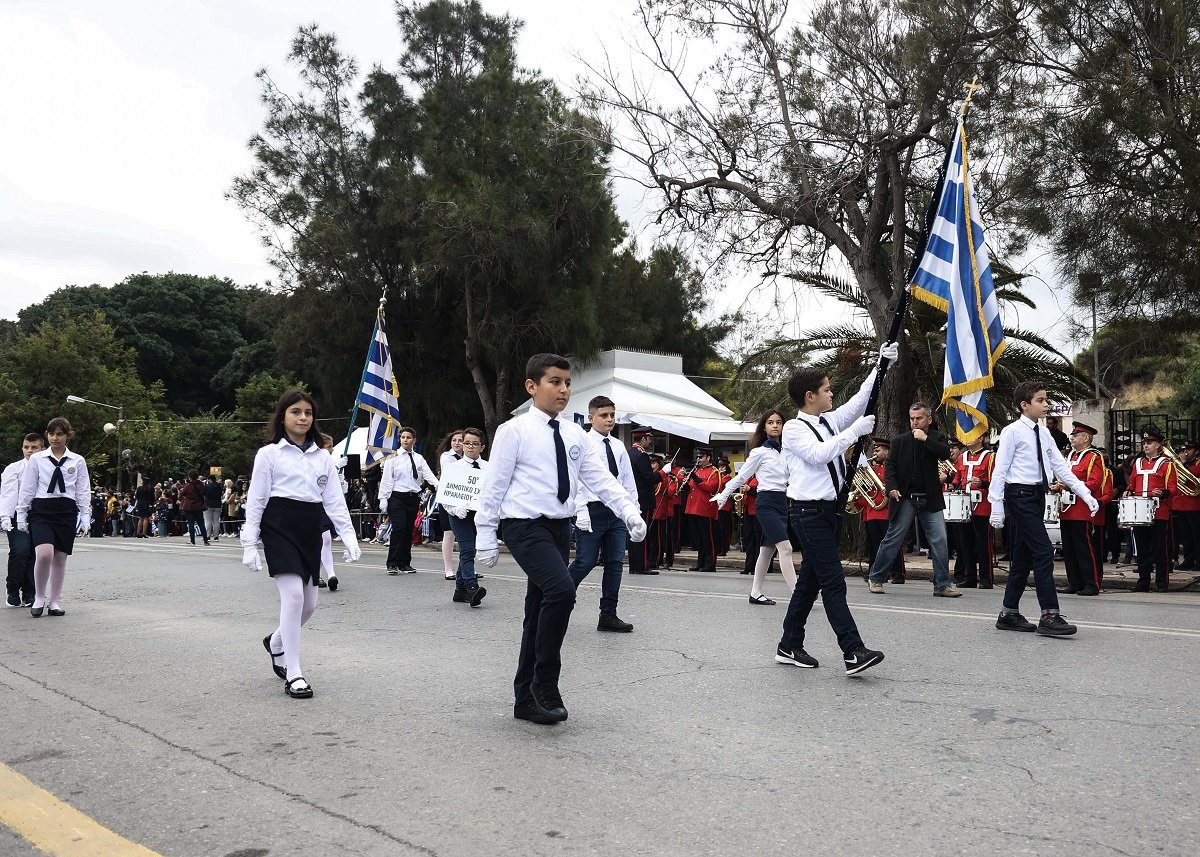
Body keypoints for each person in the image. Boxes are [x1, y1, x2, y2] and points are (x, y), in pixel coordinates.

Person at [474, 353, 646, 726]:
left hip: (558, 527)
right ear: (532, 386)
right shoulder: (513, 431)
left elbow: (599, 479)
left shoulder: (573, 434)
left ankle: (525, 698)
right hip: (523, 526)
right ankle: (546, 683)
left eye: (568, 383)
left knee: (538, 610)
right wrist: (485, 534)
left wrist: (629, 511)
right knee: (562, 591)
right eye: (555, 382)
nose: (564, 390)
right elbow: (494, 485)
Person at [776, 342, 896, 676]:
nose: (832, 394)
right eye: (827, 390)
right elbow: (819, 454)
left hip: (827, 512)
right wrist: (854, 433)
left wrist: (880, 366)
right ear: (809, 396)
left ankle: (789, 644)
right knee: (833, 583)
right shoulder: (794, 429)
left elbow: (859, 402)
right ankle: (852, 650)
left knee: (809, 585)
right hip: (807, 513)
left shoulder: (828, 420)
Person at [240, 388, 361, 699]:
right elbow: (256, 499)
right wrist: (249, 542)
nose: (303, 417)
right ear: (283, 416)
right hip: (279, 524)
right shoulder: (268, 454)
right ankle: (293, 673)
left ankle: (276, 642)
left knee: (310, 604)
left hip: (310, 526)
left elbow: (334, 500)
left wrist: (348, 536)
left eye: (308, 413)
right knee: (293, 597)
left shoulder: (323, 457)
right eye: (296, 412)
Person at [988, 381, 1099, 636]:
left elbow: (1060, 467)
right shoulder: (1012, 431)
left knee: (1024, 556)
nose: (1046, 404)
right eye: (1040, 400)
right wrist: (996, 504)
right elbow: (1000, 469)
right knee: (1043, 551)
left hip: (1038, 496)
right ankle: (1050, 614)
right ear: (1024, 405)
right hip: (1020, 495)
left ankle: (1009, 613)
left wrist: (1085, 493)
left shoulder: (1043, 432)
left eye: (1045, 400)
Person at [865, 403, 960, 597]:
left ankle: (942, 585)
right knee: (893, 538)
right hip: (906, 497)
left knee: (940, 540)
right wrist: (892, 488)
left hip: (930, 498)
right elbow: (890, 467)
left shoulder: (936, 438)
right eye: (912, 418)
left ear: (929, 419)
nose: (915, 422)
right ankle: (876, 578)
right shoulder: (900, 441)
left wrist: (925, 439)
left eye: (919, 418)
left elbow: (944, 454)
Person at [567, 396, 640, 632]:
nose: (610, 420)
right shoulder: (582, 443)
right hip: (591, 509)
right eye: (604, 415)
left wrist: (633, 512)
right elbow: (575, 480)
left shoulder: (618, 446)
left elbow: (627, 482)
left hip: (616, 511)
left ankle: (608, 614)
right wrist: (580, 510)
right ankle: (557, 600)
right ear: (591, 418)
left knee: (615, 563)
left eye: (612, 415)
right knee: (585, 561)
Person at [712, 409, 798, 605]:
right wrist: (724, 496)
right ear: (764, 427)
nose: (775, 425)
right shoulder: (759, 452)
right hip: (766, 502)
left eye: (778, 422)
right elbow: (742, 477)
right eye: (770, 422)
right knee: (786, 548)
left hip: (783, 503)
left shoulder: (788, 451)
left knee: (767, 550)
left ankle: (755, 592)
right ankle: (799, 593)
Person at [14, 417, 91, 618]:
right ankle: (39, 596)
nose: (54, 438)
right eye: (51, 433)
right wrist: (21, 513)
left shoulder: (77, 460)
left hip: (66, 510)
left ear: (68, 436)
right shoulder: (37, 459)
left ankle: (55, 600)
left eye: (59, 434)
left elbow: (82, 489)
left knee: (59, 558)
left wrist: (85, 515)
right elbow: (28, 487)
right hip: (42, 509)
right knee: (44, 553)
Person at [1052, 422, 1105, 596]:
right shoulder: (1071, 456)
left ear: (1085, 438)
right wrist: (1059, 486)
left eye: (1076, 435)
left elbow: (1095, 483)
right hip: (1066, 508)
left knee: (1083, 548)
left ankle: (1091, 583)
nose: (1072, 437)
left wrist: (1070, 486)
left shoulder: (1094, 457)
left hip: (1081, 509)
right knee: (1069, 548)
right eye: (1072, 434)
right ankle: (1074, 582)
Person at [1125, 427, 1178, 592]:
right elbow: (1132, 483)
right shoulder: (1138, 463)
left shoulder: (1167, 463)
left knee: (1161, 549)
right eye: (1144, 443)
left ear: (1158, 445)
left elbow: (1173, 487)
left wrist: (1163, 492)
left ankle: (1162, 583)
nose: (1146, 445)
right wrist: (1128, 490)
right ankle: (1143, 582)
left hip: (1159, 511)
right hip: (1139, 511)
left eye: (1150, 442)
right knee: (1141, 549)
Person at [380, 427, 438, 574]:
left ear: (414, 440)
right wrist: (383, 499)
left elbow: (428, 475)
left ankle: (404, 563)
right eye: (403, 437)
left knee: (408, 530)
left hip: (413, 498)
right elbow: (386, 479)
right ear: (400, 439)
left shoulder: (418, 458)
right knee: (399, 528)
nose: (405, 440)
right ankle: (392, 563)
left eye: (408, 437)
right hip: (397, 497)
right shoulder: (392, 457)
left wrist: (439, 486)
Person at [444, 427, 488, 607]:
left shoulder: (488, 467)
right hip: (459, 514)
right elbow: (445, 496)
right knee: (467, 549)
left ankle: (459, 591)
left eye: (475, 444)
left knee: (471, 549)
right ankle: (471, 587)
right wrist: (455, 509)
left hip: (478, 513)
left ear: (482, 447)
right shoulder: (454, 468)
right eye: (467, 443)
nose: (470, 447)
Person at [1, 432, 45, 608]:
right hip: (16, 515)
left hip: (39, 515)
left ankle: (30, 592)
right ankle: (12, 589)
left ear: (42, 449)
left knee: (36, 555)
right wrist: (5, 516)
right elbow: (8, 494)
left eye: (34, 447)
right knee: (20, 551)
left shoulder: (47, 468)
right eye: (26, 447)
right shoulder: (14, 468)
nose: (30, 451)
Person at [855, 438, 906, 584]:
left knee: (892, 543)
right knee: (874, 545)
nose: (875, 453)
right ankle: (875, 572)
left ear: (887, 452)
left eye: (878, 450)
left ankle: (898, 573)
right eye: (874, 450)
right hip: (872, 511)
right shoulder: (872, 469)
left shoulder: (895, 468)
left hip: (887, 511)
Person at [955, 435, 996, 588]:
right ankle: (969, 576)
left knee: (983, 544)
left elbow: (998, 481)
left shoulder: (990, 457)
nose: (968, 438)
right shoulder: (962, 457)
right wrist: (954, 484)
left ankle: (986, 578)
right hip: (964, 506)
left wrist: (983, 483)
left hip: (982, 507)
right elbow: (958, 478)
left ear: (981, 438)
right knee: (965, 543)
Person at [626, 430, 660, 575]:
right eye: (649, 439)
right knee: (642, 532)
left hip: (631, 499)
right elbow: (649, 479)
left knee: (632, 532)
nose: (650, 442)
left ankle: (633, 565)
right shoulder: (641, 456)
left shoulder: (628, 453)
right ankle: (642, 565)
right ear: (643, 439)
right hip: (643, 500)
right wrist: (662, 473)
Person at [682, 449, 721, 572]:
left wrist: (696, 479)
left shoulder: (714, 472)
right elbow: (693, 488)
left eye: (701, 457)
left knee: (707, 538)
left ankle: (710, 564)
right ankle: (700, 562)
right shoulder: (697, 470)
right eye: (698, 457)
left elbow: (712, 488)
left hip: (705, 508)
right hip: (693, 508)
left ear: (708, 458)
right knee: (698, 538)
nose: (698, 459)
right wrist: (686, 483)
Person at [435, 430, 465, 580]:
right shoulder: (446, 457)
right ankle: (448, 569)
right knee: (449, 533)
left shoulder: (469, 458)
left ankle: (466, 568)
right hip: (448, 498)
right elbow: (453, 474)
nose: (457, 443)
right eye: (454, 440)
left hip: (465, 499)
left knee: (467, 535)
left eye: (461, 440)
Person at [1173, 440, 1200, 570]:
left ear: (1196, 451)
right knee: (1186, 535)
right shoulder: (1182, 464)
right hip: (1181, 504)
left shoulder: (1197, 463)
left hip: (1194, 505)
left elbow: (1193, 474)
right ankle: (1189, 560)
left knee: (1196, 535)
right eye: (1185, 449)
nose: (1186, 452)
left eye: (1189, 449)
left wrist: (1182, 464)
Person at [178, 470, 210, 546]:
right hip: (198, 505)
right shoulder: (201, 485)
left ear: (190, 477)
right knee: (201, 523)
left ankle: (192, 540)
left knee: (191, 523)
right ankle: (206, 540)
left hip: (189, 506)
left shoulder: (188, 486)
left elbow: (182, 494)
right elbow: (204, 493)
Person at [203, 474, 224, 542]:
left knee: (208, 521)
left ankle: (208, 536)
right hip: (218, 504)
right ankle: (216, 537)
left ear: (209, 479)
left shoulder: (207, 486)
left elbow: (204, 494)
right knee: (216, 521)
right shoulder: (220, 486)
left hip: (208, 504)